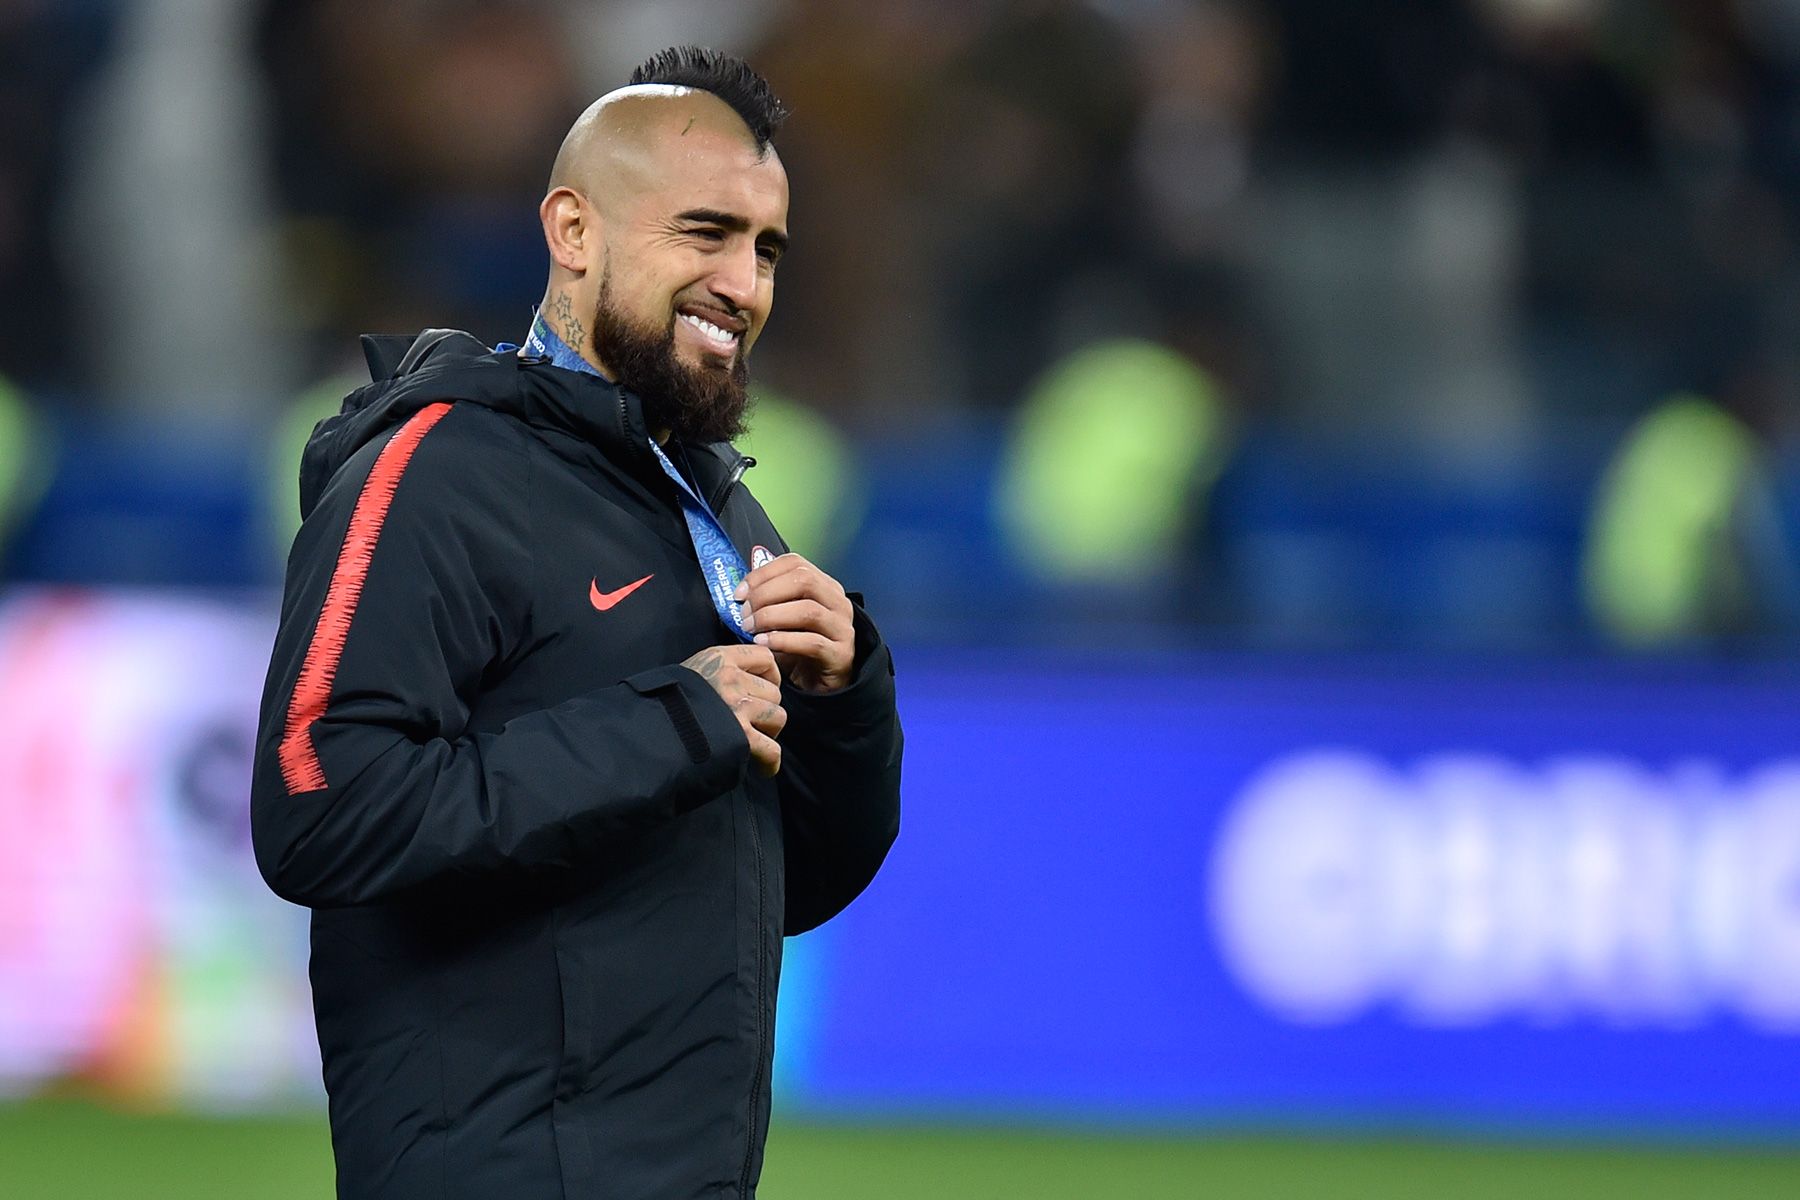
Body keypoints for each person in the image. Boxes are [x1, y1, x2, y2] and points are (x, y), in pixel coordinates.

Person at [251, 47, 903, 1199]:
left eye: (765, 249)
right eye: (705, 234)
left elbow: (774, 885)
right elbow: (319, 808)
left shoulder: (711, 506)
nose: (743, 284)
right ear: (574, 231)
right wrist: (677, 722)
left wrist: (847, 700)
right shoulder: (435, 473)